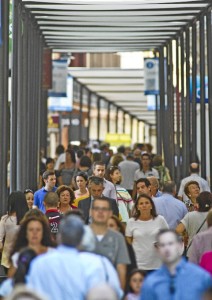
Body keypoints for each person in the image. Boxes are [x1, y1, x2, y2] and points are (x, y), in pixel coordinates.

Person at [27, 215, 121, 300]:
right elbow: (115, 293)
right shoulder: (97, 263)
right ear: (82, 239)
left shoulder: (39, 263)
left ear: (59, 237)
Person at [140, 229, 212, 300]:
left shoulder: (201, 277)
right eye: (162, 245)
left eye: (171, 243)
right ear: (157, 249)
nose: (167, 249)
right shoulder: (150, 283)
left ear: (180, 245)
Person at [90, 197, 130, 290]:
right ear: (91, 212)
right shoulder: (82, 234)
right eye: (97, 209)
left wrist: (119, 294)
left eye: (104, 209)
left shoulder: (118, 238)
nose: (100, 212)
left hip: (110, 290)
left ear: (110, 213)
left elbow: (121, 268)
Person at [126, 194, 168, 271]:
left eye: (147, 203)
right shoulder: (131, 222)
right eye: (141, 204)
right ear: (137, 207)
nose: (144, 205)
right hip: (138, 264)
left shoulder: (160, 220)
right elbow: (129, 243)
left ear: (151, 205)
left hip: (157, 263)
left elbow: (168, 238)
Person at [176, 191, 212, 258]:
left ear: (198, 203)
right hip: (209, 253)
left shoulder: (190, 215)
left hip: (192, 252)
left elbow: (178, 230)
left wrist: (185, 235)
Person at [0, 192, 29, 272]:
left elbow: (0, 241)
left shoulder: (5, 219)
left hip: (8, 259)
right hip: (25, 257)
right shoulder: (29, 219)